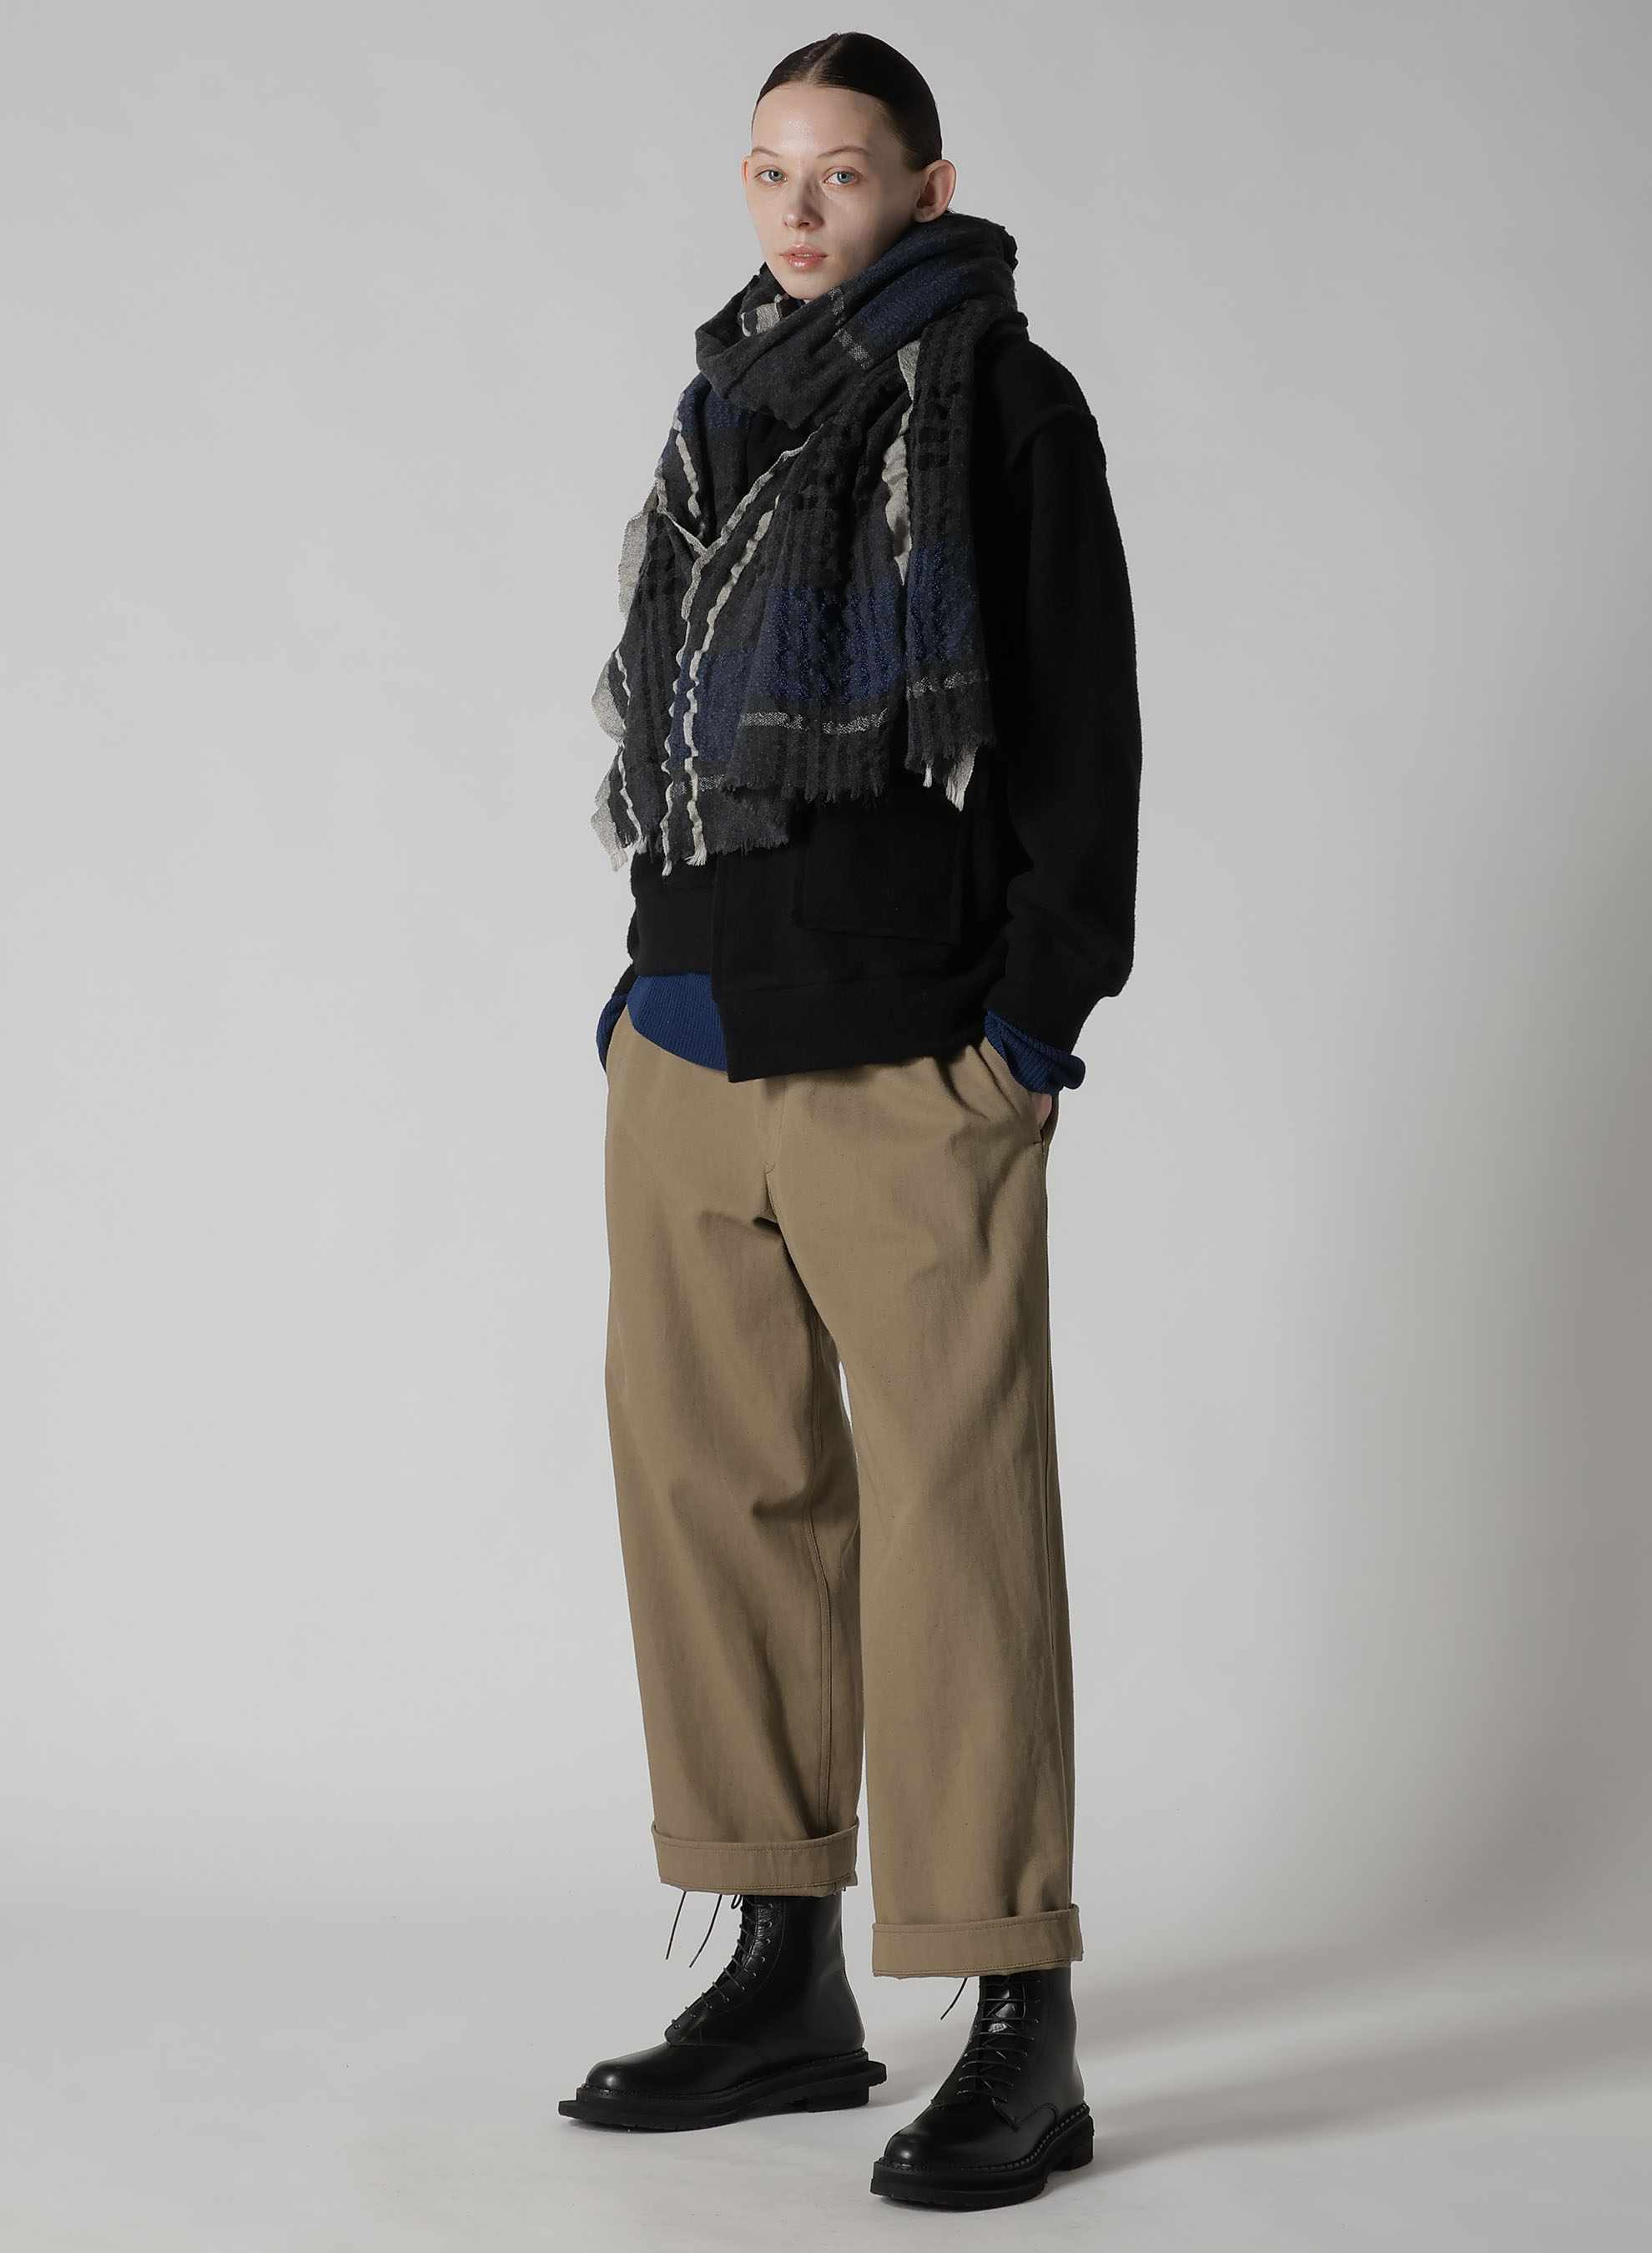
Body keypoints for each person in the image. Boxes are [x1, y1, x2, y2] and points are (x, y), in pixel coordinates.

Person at [559, 30, 1140, 2213]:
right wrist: (642, 985)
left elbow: (1082, 739)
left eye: (843, 171)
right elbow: (681, 737)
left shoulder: (1004, 403)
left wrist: (1028, 1028)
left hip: (906, 1058)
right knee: (714, 1505)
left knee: (956, 1527)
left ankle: (1016, 2011)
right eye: (770, 171)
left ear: (925, 187)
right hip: (690, 1048)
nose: (800, 210)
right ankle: (781, 1972)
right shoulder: (719, 406)